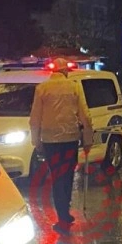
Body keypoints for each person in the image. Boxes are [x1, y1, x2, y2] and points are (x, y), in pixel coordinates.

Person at [29, 58, 93, 233]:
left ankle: (62, 215)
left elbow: (35, 118)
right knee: (68, 175)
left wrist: (36, 141)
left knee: (57, 177)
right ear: (65, 71)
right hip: (70, 139)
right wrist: (88, 139)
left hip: (50, 141)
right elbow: (85, 115)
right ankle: (65, 212)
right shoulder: (74, 87)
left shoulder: (42, 89)